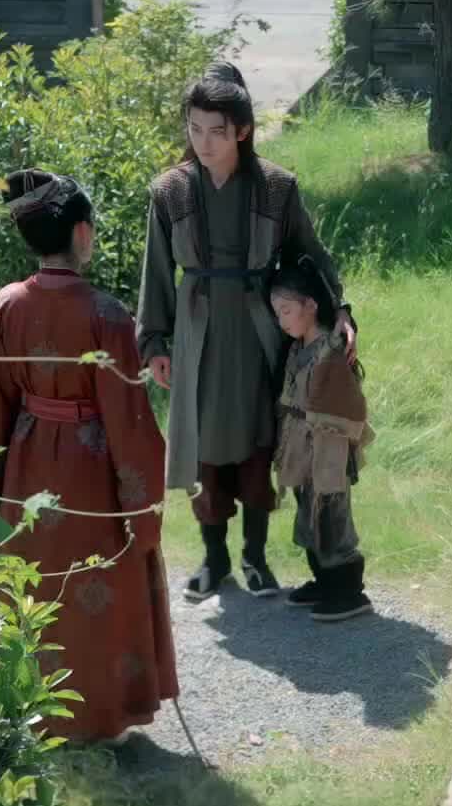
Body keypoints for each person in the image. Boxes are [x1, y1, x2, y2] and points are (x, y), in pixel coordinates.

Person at [137, 62, 357, 602]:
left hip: (263, 332)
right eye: (194, 129)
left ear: (242, 130)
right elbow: (157, 272)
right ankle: (214, 558)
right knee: (204, 445)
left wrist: (339, 310)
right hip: (198, 333)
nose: (204, 142)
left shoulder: (277, 186)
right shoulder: (169, 191)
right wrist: (155, 342)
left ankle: (255, 557)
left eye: (216, 131)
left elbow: (310, 254)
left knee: (263, 440)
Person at [0, 168, 178, 744]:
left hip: (26, 472)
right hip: (89, 481)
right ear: (82, 233)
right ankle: (97, 720)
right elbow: (130, 424)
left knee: (29, 585)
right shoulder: (108, 315)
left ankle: (24, 709)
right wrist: (143, 513)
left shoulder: (6, 305)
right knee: (96, 592)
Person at [269, 255, 373, 623]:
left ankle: (348, 590)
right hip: (302, 448)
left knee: (331, 517)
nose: (281, 320)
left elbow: (346, 408)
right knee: (308, 513)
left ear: (311, 305)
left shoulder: (330, 352)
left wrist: (326, 450)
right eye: (277, 313)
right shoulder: (299, 348)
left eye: (286, 311)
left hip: (327, 451)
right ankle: (324, 581)